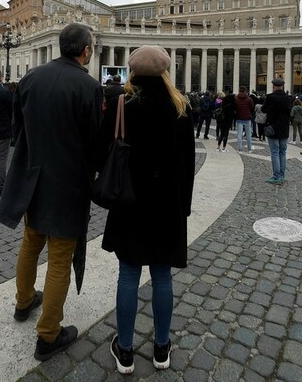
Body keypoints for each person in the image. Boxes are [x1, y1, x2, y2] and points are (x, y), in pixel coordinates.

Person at [0, 23, 102, 361]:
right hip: (67, 182)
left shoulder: (30, 78)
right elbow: (94, 142)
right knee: (59, 257)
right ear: (85, 50)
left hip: (32, 177)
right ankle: (48, 334)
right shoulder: (89, 86)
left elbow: (18, 128)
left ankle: (24, 301)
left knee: (31, 242)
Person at [96, 45, 195, 374]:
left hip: (130, 202)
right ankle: (162, 348)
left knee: (128, 274)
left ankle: (125, 351)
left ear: (133, 71)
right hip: (168, 204)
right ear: (165, 71)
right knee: (162, 276)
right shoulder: (181, 106)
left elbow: (101, 153)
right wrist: (184, 207)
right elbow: (188, 163)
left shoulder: (121, 104)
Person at [262, 78, 293, 185]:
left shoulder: (270, 97)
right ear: (282, 86)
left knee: (275, 151)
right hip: (284, 127)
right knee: (282, 152)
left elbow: (263, 109)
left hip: (273, 127)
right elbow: (289, 111)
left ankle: (276, 176)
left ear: (274, 86)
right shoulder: (288, 98)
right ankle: (282, 175)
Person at [234, 86, 255, 153]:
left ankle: (240, 149)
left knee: (239, 134)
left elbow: (235, 108)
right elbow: (252, 108)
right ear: (245, 91)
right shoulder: (249, 99)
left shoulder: (236, 98)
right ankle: (249, 149)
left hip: (239, 117)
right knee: (248, 134)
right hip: (247, 118)